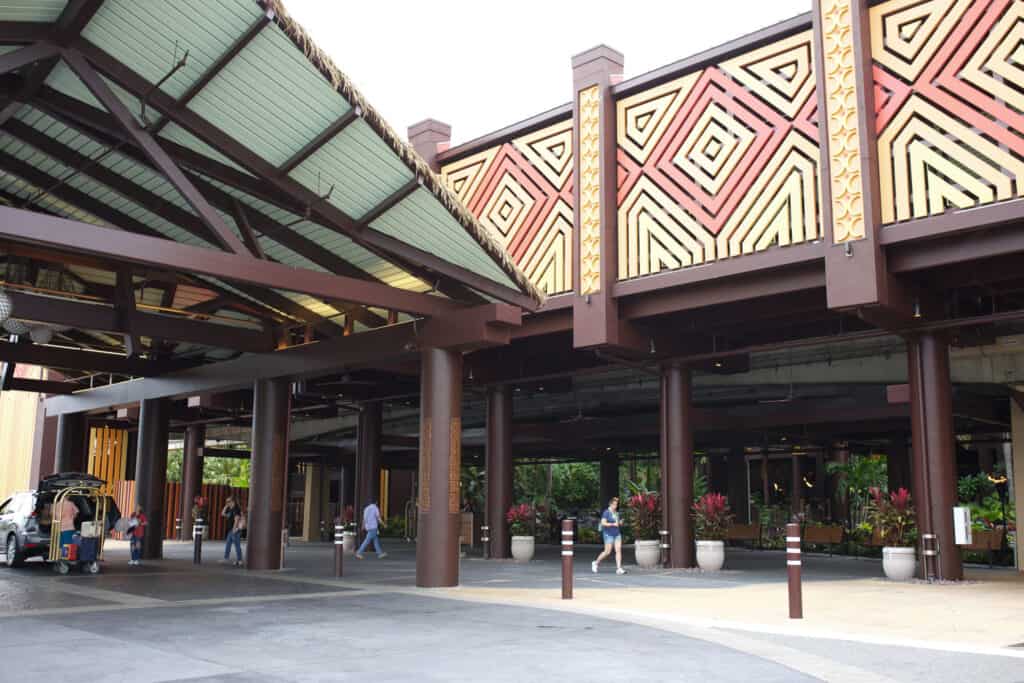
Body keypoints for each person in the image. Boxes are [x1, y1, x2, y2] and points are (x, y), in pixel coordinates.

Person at [592, 496, 626, 575]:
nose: (615, 506)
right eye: (614, 504)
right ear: (610, 504)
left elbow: (617, 524)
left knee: (618, 550)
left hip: (617, 534)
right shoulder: (606, 512)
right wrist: (613, 524)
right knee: (607, 552)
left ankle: (619, 568)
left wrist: (620, 523)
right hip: (608, 534)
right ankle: (596, 563)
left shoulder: (616, 513)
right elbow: (603, 523)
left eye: (616, 504)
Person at [221, 496, 241, 563]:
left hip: (234, 530)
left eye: (228, 501)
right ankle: (226, 558)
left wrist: (234, 529)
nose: (227, 503)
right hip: (230, 530)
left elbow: (237, 519)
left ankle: (239, 560)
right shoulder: (230, 509)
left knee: (237, 545)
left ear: (233, 501)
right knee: (228, 544)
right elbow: (223, 514)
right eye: (226, 502)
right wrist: (226, 506)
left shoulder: (236, 509)